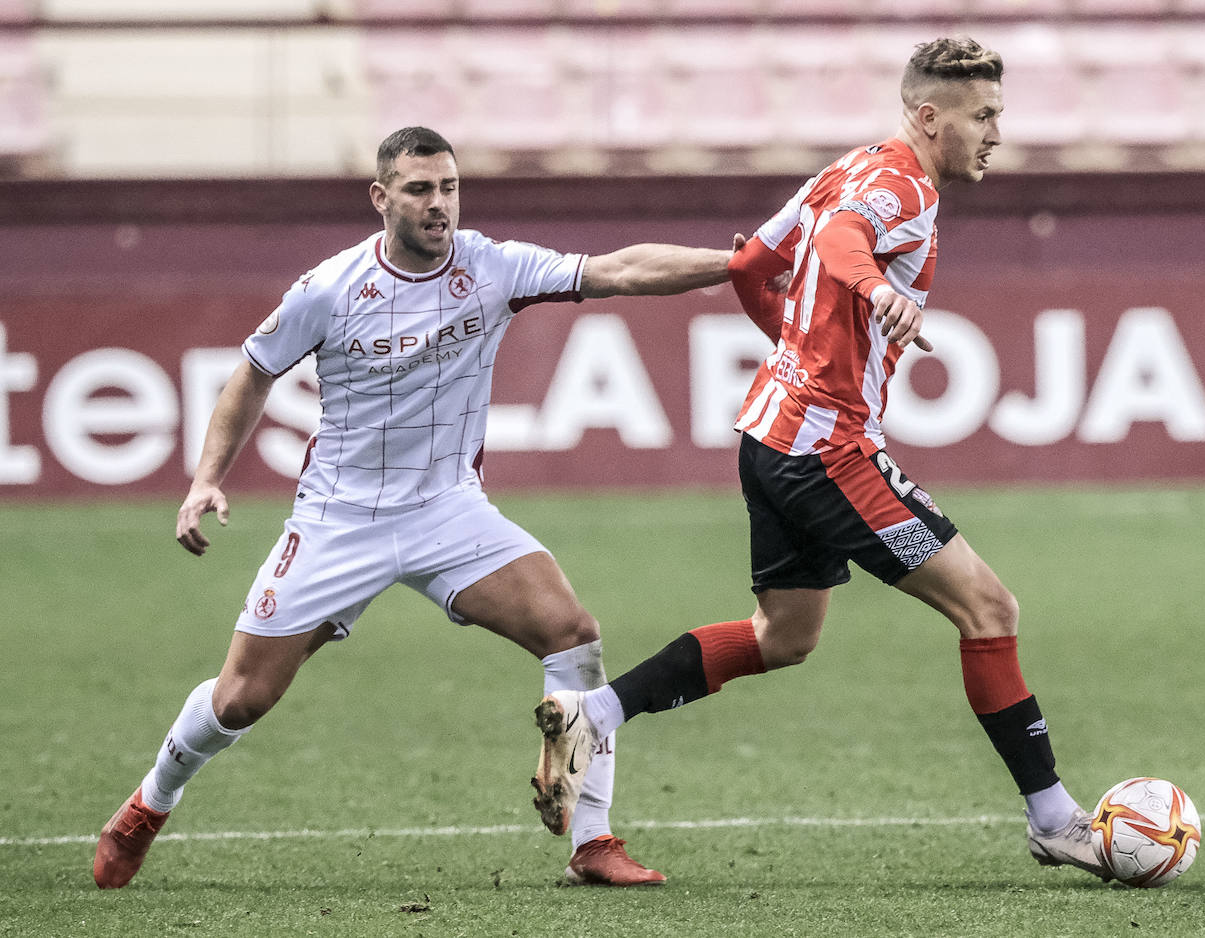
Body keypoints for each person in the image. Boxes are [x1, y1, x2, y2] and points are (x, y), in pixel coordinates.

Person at [530, 37, 1113, 882]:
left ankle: (598, 711)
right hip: (828, 449)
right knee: (990, 609)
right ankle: (1054, 819)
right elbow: (845, 244)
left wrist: (802, 342)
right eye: (982, 116)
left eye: (998, 114)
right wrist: (876, 291)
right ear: (927, 115)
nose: (995, 133)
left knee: (785, 636)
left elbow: (749, 266)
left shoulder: (839, 170)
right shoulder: (901, 188)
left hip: (769, 437)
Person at [93, 126, 733, 890]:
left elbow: (618, 270)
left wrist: (736, 263)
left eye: (450, 188)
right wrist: (205, 478)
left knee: (573, 634)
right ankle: (147, 806)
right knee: (241, 699)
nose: (440, 206)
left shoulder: (492, 267)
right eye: (421, 190)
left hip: (448, 510)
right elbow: (252, 373)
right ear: (382, 197)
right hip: (341, 518)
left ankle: (590, 843)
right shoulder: (329, 288)